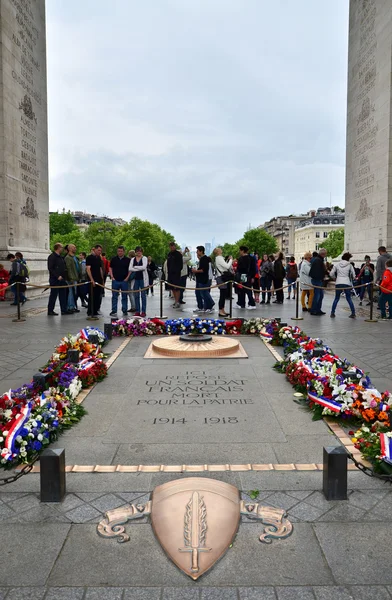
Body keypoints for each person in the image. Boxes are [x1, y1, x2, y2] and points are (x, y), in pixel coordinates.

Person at [329, 252, 356, 318]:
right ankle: (353, 313)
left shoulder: (337, 265)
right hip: (347, 283)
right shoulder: (350, 265)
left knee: (336, 298)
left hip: (338, 282)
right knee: (348, 298)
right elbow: (354, 275)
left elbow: (331, 274)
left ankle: (332, 313)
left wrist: (335, 278)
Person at [47, 243, 69, 315]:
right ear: (58, 248)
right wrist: (57, 276)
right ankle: (50, 310)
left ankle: (64, 309)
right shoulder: (52, 257)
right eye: (61, 247)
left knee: (63, 294)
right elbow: (50, 268)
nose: (62, 249)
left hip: (62, 279)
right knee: (53, 295)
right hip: (55, 279)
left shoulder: (60, 257)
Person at [109, 245, 130, 317]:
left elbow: (130, 270)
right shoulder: (113, 259)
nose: (120, 252)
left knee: (124, 296)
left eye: (121, 251)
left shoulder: (128, 260)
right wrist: (112, 276)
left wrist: (127, 278)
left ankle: (124, 310)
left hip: (124, 281)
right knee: (114, 296)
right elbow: (110, 268)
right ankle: (114, 310)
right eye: (118, 251)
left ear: (124, 252)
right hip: (115, 280)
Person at [127, 246, 148, 317]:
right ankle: (137, 311)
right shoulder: (133, 259)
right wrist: (138, 268)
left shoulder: (144, 258)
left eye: (140, 251)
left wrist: (135, 267)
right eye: (137, 251)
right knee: (136, 296)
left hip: (142, 279)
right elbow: (130, 268)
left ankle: (144, 311)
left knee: (143, 296)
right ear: (135, 252)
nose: (139, 252)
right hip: (135, 279)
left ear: (142, 252)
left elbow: (144, 267)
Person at [192, 246, 214, 313]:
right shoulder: (202, 259)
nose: (196, 252)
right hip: (200, 279)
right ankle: (201, 307)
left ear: (201, 251)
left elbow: (203, 270)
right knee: (198, 293)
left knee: (204, 293)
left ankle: (209, 305)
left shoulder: (204, 259)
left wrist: (195, 271)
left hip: (203, 279)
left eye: (197, 251)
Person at [86, 244, 104, 318]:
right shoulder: (89, 258)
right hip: (92, 279)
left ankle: (95, 310)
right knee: (92, 296)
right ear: (95, 250)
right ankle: (90, 311)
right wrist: (91, 279)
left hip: (98, 279)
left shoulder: (99, 258)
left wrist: (102, 279)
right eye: (98, 250)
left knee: (97, 296)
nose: (100, 252)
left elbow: (100, 269)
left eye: (100, 251)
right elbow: (88, 269)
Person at [214, 247, 232, 317]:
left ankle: (222, 310)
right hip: (221, 278)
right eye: (220, 249)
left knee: (223, 295)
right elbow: (227, 267)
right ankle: (220, 311)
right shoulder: (219, 258)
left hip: (221, 277)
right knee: (222, 295)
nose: (221, 249)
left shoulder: (220, 258)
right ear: (218, 251)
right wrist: (230, 260)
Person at [309, 248, 327, 315]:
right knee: (317, 295)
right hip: (317, 280)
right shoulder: (318, 260)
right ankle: (314, 310)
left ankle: (318, 309)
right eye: (325, 254)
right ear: (323, 254)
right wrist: (321, 277)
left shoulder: (318, 260)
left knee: (320, 295)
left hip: (318, 279)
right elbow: (316, 271)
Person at [64, 244, 80, 313]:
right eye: (74, 247)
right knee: (71, 293)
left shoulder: (75, 257)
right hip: (71, 279)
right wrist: (71, 278)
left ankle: (73, 306)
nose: (75, 248)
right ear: (70, 249)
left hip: (75, 278)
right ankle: (70, 307)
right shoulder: (68, 258)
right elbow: (69, 269)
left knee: (74, 293)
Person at [167, 242, 183, 309]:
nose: (171, 247)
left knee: (177, 288)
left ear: (175, 246)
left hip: (176, 274)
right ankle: (175, 301)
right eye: (170, 246)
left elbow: (180, 265)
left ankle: (177, 301)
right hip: (170, 274)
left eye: (173, 246)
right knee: (172, 288)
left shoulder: (178, 254)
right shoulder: (169, 254)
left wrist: (176, 271)